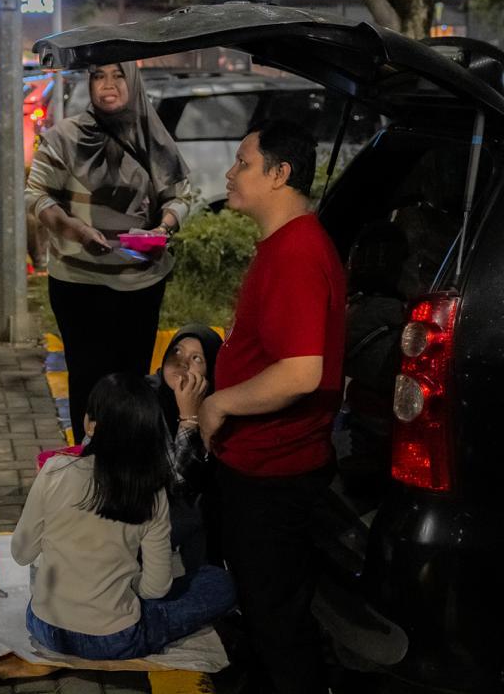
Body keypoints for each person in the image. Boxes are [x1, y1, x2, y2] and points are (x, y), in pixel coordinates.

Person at [197, 118, 346, 694]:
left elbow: (300, 372)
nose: (230, 173)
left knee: (278, 621)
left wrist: (219, 404)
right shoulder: (283, 245)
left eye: (244, 163)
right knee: (262, 613)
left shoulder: (297, 253)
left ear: (280, 174)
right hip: (255, 464)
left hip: (275, 472)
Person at [12, 373, 236, 660]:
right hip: (114, 639)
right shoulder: (152, 490)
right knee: (219, 582)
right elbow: (155, 589)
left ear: (90, 424)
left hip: (45, 627)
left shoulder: (54, 470)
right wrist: (128, 586)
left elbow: (21, 553)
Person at [26, 62, 194, 441]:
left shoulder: (153, 138)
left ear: (132, 81)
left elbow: (180, 196)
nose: (108, 85)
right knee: (87, 380)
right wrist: (74, 229)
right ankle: (88, 462)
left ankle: (127, 463)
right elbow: (36, 196)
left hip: (140, 283)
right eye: (99, 76)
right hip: (77, 282)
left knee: (132, 383)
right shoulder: (65, 137)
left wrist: (163, 228)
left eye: (118, 75)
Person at [149, 324, 222, 571]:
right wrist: (189, 418)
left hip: (172, 515)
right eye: (177, 352)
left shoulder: (217, 405)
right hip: (138, 516)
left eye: (197, 358)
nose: (183, 363)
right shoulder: (145, 397)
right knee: (198, 512)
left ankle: (205, 577)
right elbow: (178, 484)